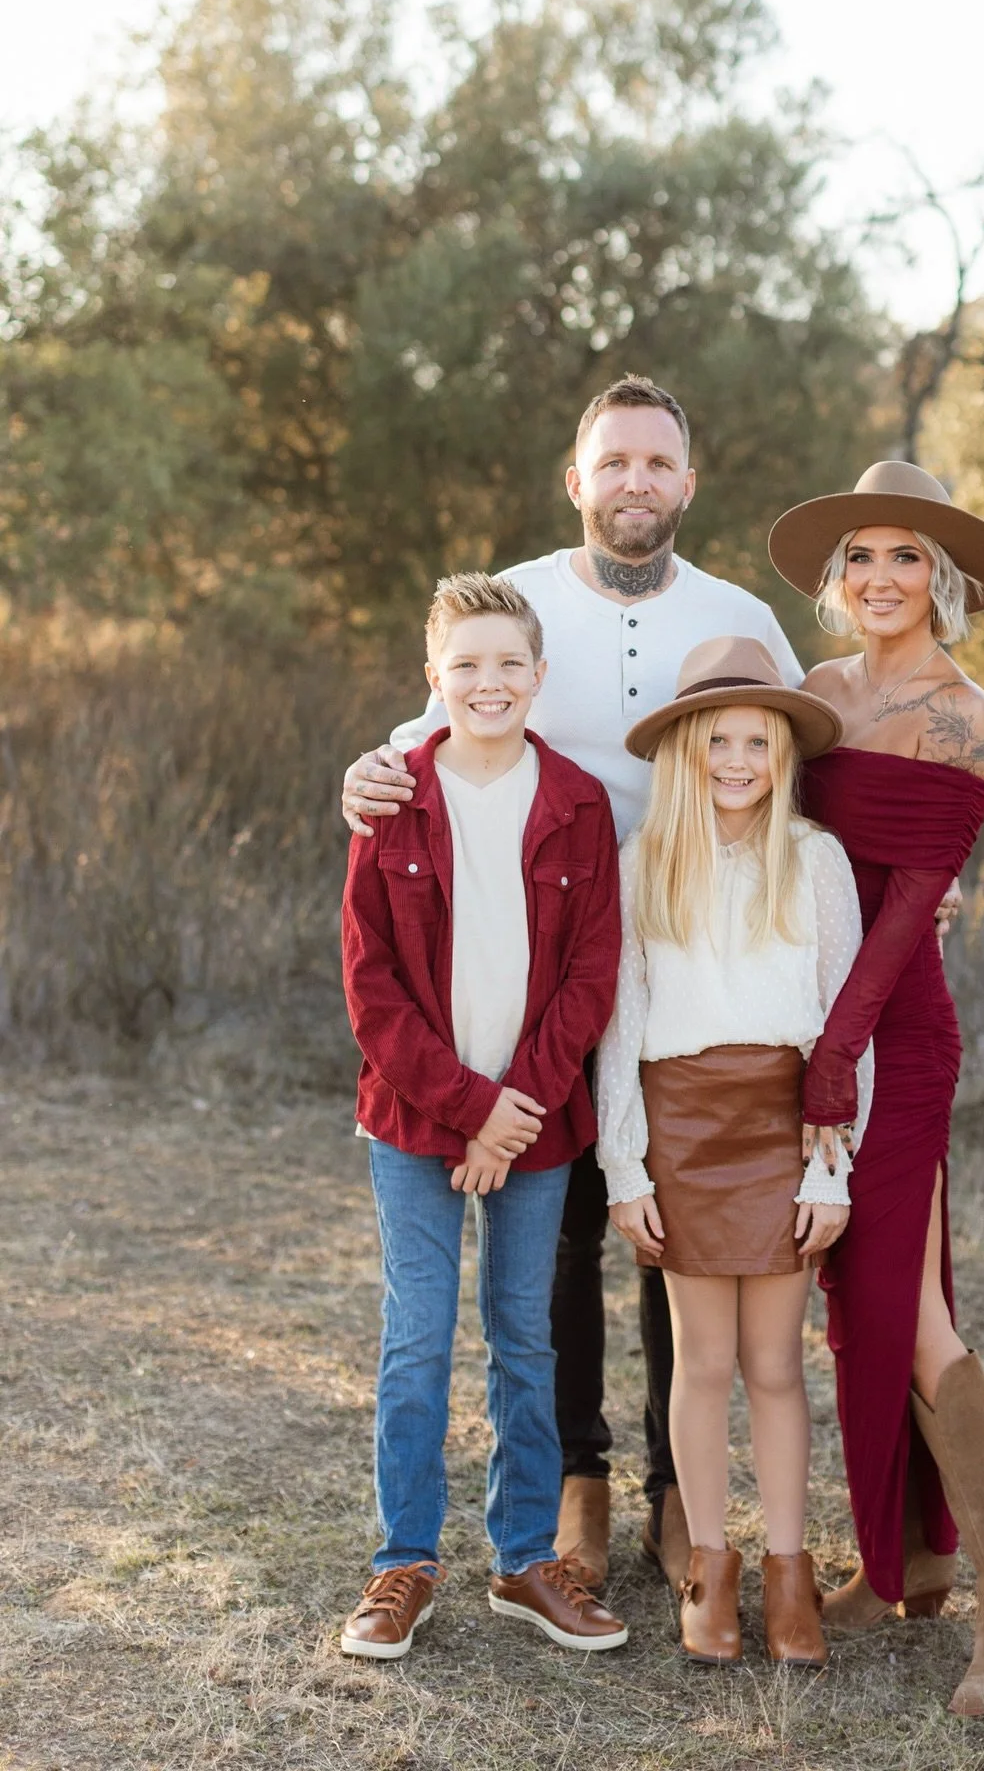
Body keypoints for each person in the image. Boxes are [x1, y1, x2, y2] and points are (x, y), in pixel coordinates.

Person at [339, 376, 806, 1597]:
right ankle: (577, 1486)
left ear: (688, 481)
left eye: (656, 462)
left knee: (674, 1227)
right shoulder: (523, 600)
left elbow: (807, 762)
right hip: (545, 966)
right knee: (557, 1244)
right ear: (577, 480)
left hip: (694, 967)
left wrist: (909, 882)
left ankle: (673, 1495)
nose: (635, 482)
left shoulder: (742, 614)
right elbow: (430, 734)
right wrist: (363, 773)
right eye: (614, 463)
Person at [767, 460, 984, 1718]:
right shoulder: (821, 690)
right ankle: (909, 1561)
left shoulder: (958, 710)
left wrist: (841, 1056)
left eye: (905, 558)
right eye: (862, 556)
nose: (880, 577)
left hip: (897, 1030)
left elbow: (907, 915)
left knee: (911, 1306)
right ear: (841, 576)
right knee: (860, 1300)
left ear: (941, 579)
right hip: (812, 1021)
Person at [338, 572, 627, 1660]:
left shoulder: (579, 804)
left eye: (509, 664)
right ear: (433, 677)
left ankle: (523, 1558)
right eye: (466, 664)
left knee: (524, 1337)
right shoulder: (393, 797)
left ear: (539, 676)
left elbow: (592, 975)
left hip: (537, 1124)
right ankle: (404, 1562)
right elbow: (371, 987)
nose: (488, 682)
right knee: (417, 1337)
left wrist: (515, 1113)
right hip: (415, 1122)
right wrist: (469, 1110)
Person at [595, 637, 870, 1668]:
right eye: (719, 742)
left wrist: (831, 1168)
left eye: (758, 742)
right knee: (702, 1363)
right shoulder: (645, 862)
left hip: (788, 1122)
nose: (739, 760)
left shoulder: (816, 859)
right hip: (683, 1128)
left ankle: (789, 1573)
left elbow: (846, 1026)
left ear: (782, 753)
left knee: (775, 1366)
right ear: (684, 752)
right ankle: (710, 1568)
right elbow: (621, 1026)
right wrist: (625, 1166)